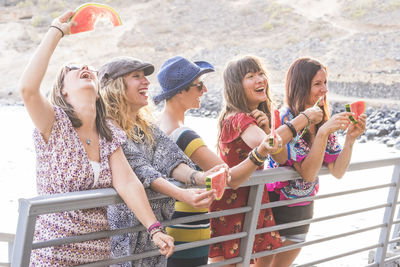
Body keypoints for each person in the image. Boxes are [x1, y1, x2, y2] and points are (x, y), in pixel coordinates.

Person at [19, 11, 174, 266]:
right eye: (73, 68)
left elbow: (128, 183)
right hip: (53, 255)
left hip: (97, 256)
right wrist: (56, 31)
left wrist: (155, 229)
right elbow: (27, 89)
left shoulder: (108, 133)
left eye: (90, 68)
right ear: (62, 90)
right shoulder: (54, 123)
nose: (84, 68)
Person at [156, 55, 322, 266]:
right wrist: (305, 119)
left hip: (193, 220)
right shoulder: (189, 132)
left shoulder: (159, 127)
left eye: (261, 73)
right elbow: (233, 175)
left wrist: (266, 131)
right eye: (199, 86)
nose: (205, 91)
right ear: (180, 92)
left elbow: (275, 151)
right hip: (213, 216)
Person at [98, 56, 223, 267]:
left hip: (151, 235)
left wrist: (199, 177)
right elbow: (141, 170)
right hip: (122, 236)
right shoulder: (107, 128)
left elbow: (171, 158)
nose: (146, 82)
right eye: (136, 76)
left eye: (145, 77)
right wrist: (183, 194)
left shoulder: (144, 125)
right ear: (116, 86)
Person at [267, 57, 367, 267]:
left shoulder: (322, 119)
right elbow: (308, 173)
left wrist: (350, 138)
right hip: (276, 208)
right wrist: (323, 132)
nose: (325, 89)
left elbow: (338, 170)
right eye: (318, 84)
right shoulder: (288, 120)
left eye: (325, 83)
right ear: (301, 86)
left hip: (304, 208)